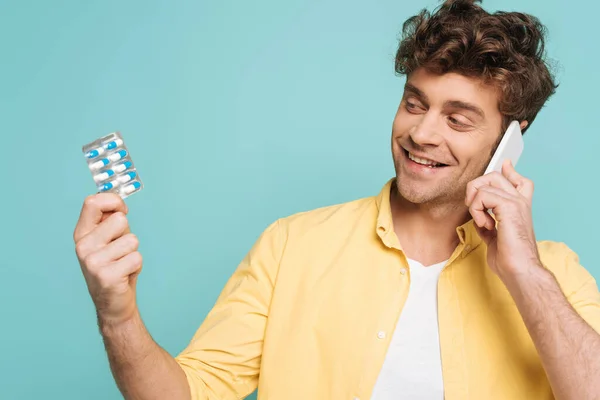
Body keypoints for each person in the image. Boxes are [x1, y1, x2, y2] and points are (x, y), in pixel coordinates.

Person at [73, 1, 600, 399]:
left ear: (510, 140)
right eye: (414, 104)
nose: (421, 133)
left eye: (457, 119)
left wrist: (525, 274)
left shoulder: (554, 275)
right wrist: (117, 318)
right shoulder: (291, 246)